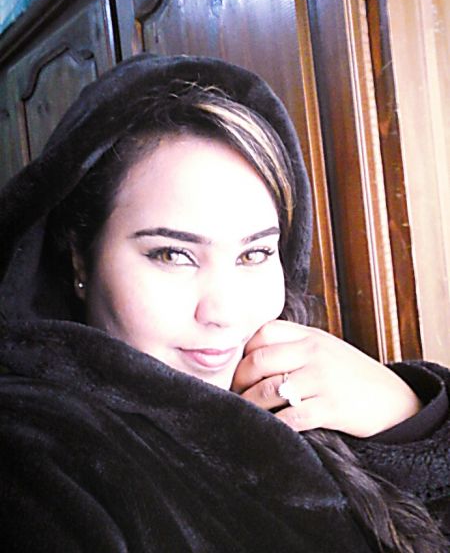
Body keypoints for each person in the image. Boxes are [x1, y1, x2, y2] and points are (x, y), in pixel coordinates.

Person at [0, 53, 448, 552]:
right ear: (80, 260)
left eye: (254, 253)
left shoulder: (318, 389)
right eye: (172, 254)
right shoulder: (33, 452)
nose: (223, 312)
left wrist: (407, 423)